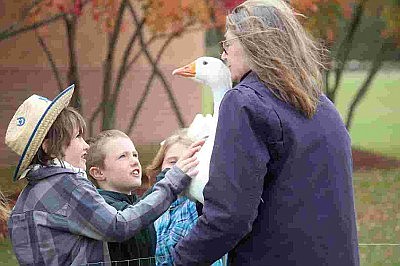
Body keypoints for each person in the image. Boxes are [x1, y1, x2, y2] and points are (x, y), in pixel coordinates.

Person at [172, 1, 360, 265]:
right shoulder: (322, 105)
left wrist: (180, 258)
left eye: (227, 44)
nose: (223, 55)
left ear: (252, 44)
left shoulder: (244, 102)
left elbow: (230, 215)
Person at [5, 85, 203, 265]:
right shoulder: (66, 183)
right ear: (49, 147)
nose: (85, 146)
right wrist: (171, 181)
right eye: (77, 137)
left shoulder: (25, 200)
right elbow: (118, 226)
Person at [147, 129, 224, 266]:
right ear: (160, 167)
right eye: (172, 162)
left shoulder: (200, 205)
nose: (180, 167)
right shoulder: (155, 210)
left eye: (187, 160)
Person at [86, 129, 157, 266]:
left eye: (135, 155)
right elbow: (132, 212)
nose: (135, 161)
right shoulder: (102, 207)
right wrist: (171, 181)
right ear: (98, 172)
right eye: (123, 156)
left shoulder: (138, 203)